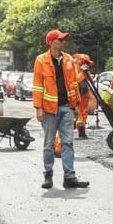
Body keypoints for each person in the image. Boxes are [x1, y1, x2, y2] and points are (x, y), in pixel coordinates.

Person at [32, 30, 89, 190]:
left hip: (66, 107)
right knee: (49, 144)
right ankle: (48, 175)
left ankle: (69, 177)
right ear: (51, 42)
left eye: (63, 39)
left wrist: (76, 105)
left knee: (67, 143)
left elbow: (73, 84)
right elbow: (37, 85)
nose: (63, 42)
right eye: (60, 39)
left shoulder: (68, 59)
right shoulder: (41, 60)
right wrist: (38, 108)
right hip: (48, 109)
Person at [72, 52, 96, 138]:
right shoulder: (73, 68)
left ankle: (81, 127)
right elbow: (76, 80)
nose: (87, 65)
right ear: (81, 62)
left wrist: (93, 79)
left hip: (84, 93)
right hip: (75, 93)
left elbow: (90, 80)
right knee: (76, 111)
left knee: (83, 111)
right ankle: (78, 125)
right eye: (85, 63)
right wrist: (83, 73)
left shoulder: (84, 70)